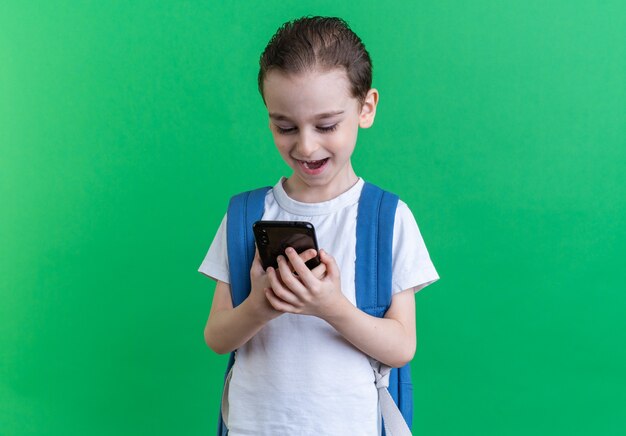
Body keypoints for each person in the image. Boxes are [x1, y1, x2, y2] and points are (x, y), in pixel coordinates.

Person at [198, 16, 439, 435]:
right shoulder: (244, 217)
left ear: (366, 108)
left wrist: (330, 306)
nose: (306, 146)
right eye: (284, 126)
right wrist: (259, 306)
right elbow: (217, 338)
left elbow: (402, 347)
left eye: (326, 125)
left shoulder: (388, 218)